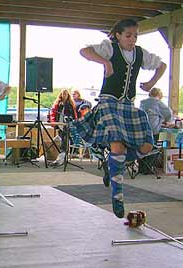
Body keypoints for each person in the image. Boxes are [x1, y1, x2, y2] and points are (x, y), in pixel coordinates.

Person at [76, 19, 166, 218]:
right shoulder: (109, 48)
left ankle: (113, 165)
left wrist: (151, 82)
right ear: (118, 35)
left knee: (147, 147)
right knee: (118, 147)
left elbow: (162, 65)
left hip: (128, 105)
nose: (132, 39)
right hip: (109, 103)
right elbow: (84, 51)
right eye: (128, 35)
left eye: (135, 36)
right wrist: (105, 62)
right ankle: (117, 197)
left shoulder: (140, 53)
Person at [47, 89, 77, 166]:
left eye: (66, 94)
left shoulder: (70, 104)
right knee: (63, 141)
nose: (64, 95)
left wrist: (73, 123)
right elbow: (52, 113)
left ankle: (61, 159)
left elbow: (74, 115)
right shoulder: (57, 103)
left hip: (67, 125)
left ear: (68, 95)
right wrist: (52, 122)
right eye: (63, 94)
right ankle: (62, 158)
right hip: (59, 125)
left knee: (64, 142)